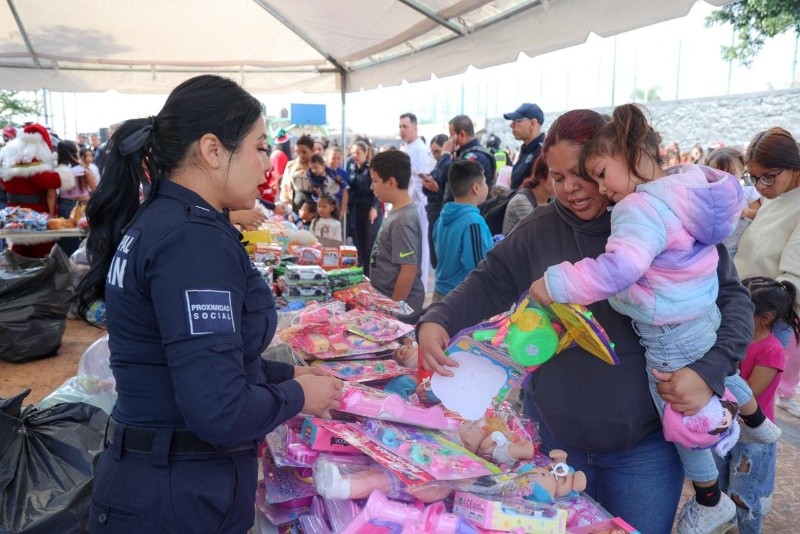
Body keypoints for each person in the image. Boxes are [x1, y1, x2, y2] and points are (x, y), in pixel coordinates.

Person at [417, 108, 754, 534]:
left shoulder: (664, 220)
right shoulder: (540, 228)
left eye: (582, 173)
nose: (571, 188)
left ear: (613, 160)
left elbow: (734, 301)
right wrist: (438, 318)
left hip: (644, 453)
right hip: (555, 446)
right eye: (557, 178)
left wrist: (708, 372)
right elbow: (491, 280)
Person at [73, 75, 343, 533]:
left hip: (161, 480)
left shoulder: (167, 220)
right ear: (213, 150)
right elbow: (219, 409)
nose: (266, 167)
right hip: (176, 496)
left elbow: (195, 358)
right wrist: (299, 396)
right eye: (259, 148)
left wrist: (286, 373)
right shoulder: (192, 242)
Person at [528, 104, 775, 534]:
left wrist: (558, 283)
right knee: (705, 380)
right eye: (558, 177)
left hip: (666, 337)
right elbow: (489, 278)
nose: (598, 188)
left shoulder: (638, 210)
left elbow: (618, 269)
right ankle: (757, 423)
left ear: (631, 155)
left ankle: (709, 497)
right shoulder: (683, 194)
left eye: (597, 173)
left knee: (677, 413)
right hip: (696, 318)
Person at [715, 277, 800, 534]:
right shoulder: (735, 337)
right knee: (719, 491)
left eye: (743, 308)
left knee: (743, 497)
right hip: (726, 428)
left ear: (765, 317)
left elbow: (749, 393)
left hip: (752, 435)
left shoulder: (771, 350)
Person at [734, 127, 800, 418]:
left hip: (768, 316)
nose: (759, 186)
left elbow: (793, 278)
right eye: (753, 177)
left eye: (767, 176)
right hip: (746, 307)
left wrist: (762, 314)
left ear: (794, 167)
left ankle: (751, 463)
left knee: (752, 405)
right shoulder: (777, 194)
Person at [0, 123, 75, 257]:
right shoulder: (33, 162)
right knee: (42, 258)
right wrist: (63, 172)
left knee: (19, 254)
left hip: (13, 214)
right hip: (35, 218)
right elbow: (49, 181)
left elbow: (3, 184)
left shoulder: (10, 161)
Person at [368, 149, 424, 321]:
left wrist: (393, 313)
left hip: (400, 311)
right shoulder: (397, 213)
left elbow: (408, 269)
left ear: (391, 182)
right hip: (387, 302)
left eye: (375, 181)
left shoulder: (403, 220)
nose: (372, 187)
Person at [432, 159, 492, 302]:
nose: (487, 186)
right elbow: (479, 267)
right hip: (461, 299)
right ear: (476, 188)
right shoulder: (473, 222)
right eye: (485, 182)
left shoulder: (443, 216)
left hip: (440, 294)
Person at [399, 112, 435, 292]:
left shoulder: (419, 149)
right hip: (407, 206)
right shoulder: (407, 148)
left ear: (415, 127)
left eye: (405, 126)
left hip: (417, 207)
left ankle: (418, 288)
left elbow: (421, 182)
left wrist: (413, 204)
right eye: (400, 127)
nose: (402, 130)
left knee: (419, 250)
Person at [706, 147, 760, 258]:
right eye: (717, 175)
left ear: (742, 171)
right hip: (715, 250)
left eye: (731, 173)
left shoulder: (748, 191)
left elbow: (760, 214)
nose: (724, 179)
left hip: (743, 249)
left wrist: (745, 212)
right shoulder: (708, 195)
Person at [347, 140, 382, 274]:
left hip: (369, 210)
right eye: (353, 153)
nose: (355, 155)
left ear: (365, 153)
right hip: (356, 211)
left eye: (358, 152)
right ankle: (360, 272)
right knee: (358, 245)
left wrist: (374, 207)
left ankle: (369, 274)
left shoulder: (370, 170)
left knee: (369, 246)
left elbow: (376, 191)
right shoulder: (351, 167)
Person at [421, 134, 453, 269]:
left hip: (441, 212)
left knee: (440, 256)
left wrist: (437, 189)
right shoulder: (438, 167)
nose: (435, 155)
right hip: (432, 212)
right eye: (432, 152)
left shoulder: (448, 166)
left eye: (437, 151)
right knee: (435, 256)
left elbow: (450, 193)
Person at [501, 155, 552, 235]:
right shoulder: (521, 201)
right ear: (541, 176)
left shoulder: (552, 199)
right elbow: (542, 234)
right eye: (557, 177)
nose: (564, 184)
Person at [503, 103, 545, 191]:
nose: (511, 125)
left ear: (533, 123)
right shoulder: (527, 150)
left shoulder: (542, 153)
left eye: (517, 120)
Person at [448, 114, 496, 189]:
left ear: (462, 134)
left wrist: (445, 154)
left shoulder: (474, 156)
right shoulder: (464, 152)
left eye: (451, 134)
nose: (450, 138)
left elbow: (451, 176)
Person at [280, 134, 314, 212]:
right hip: (294, 208)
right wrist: (285, 203)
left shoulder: (319, 166)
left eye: (304, 152)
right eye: (298, 152)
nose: (301, 155)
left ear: (312, 150)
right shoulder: (290, 166)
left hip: (314, 210)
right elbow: (285, 186)